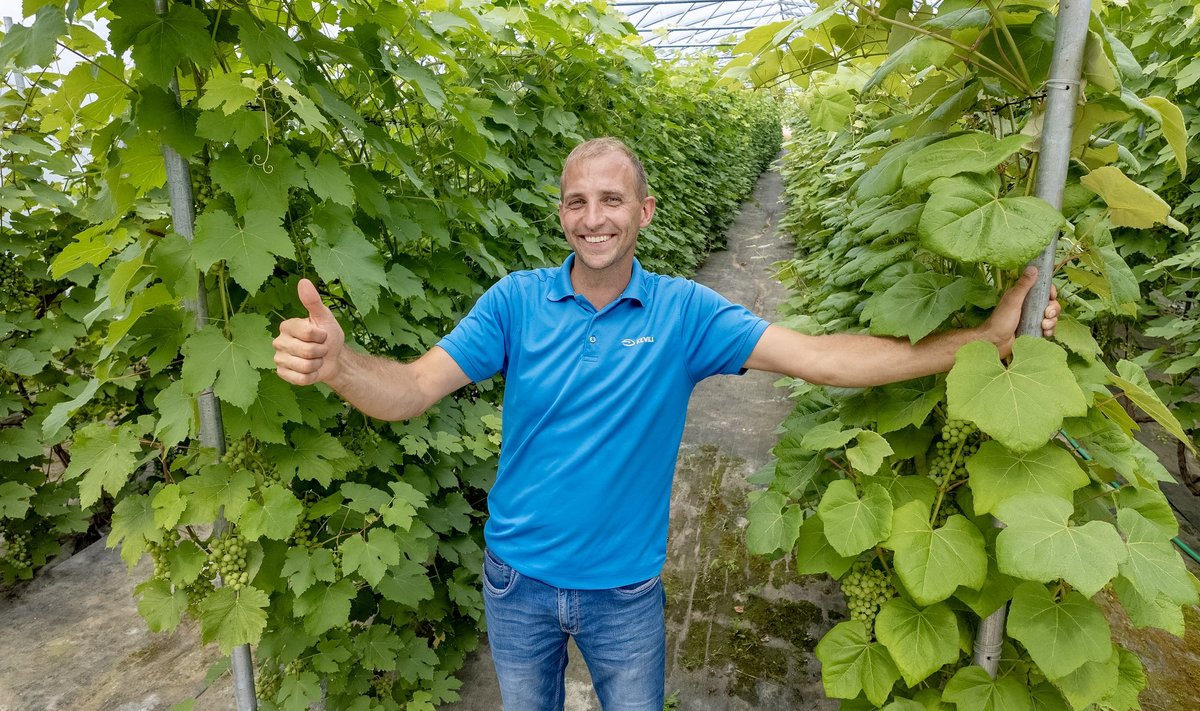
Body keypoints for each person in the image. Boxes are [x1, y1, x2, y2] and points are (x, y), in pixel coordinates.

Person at [272, 137, 1060, 710]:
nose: (593, 217)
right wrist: (340, 366)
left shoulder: (686, 313)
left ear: (644, 211)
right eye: (577, 201)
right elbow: (411, 387)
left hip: (624, 591)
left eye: (611, 199)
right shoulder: (515, 301)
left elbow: (825, 357)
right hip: (517, 582)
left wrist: (984, 339)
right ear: (561, 215)